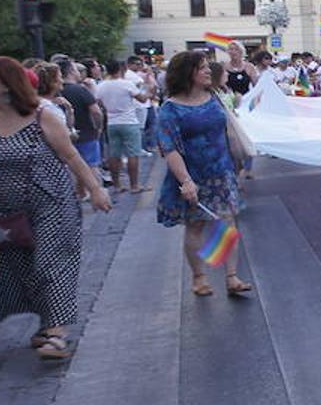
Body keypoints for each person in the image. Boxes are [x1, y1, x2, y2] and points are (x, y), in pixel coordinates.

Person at [0, 56, 111, 360]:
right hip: (5, 210)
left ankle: (57, 332)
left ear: (5, 83)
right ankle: (46, 323)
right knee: (24, 269)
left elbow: (70, 156)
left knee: (50, 264)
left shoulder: (41, 116)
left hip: (51, 203)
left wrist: (95, 188)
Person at [155, 52, 251, 298]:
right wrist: (185, 181)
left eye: (208, 67)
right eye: (202, 68)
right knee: (196, 225)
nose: (209, 71)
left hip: (222, 171)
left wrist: (239, 159)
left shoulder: (214, 97)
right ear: (188, 73)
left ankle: (231, 276)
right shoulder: (170, 108)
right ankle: (199, 276)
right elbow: (169, 148)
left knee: (226, 223)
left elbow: (228, 128)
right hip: (193, 176)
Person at [95, 59, 151, 194]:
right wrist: (149, 91)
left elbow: (98, 103)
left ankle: (117, 185)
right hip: (129, 121)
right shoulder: (126, 84)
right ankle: (134, 185)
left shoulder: (101, 86)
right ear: (121, 69)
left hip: (112, 123)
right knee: (133, 153)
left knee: (114, 154)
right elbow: (142, 99)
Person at [57, 58, 102, 174]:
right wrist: (98, 127)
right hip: (86, 134)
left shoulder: (57, 92)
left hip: (64, 136)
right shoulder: (81, 90)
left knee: (73, 169)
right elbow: (96, 112)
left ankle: (80, 192)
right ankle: (94, 190)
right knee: (91, 167)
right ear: (71, 71)